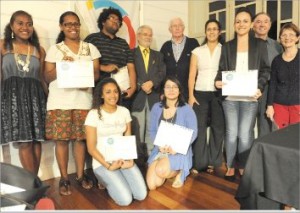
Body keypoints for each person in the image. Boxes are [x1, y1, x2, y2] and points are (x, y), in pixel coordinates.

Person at [44, 11, 100, 195]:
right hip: (60, 101)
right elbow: (47, 76)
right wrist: (62, 67)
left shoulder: (90, 48)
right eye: (68, 24)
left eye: (75, 24)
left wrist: (83, 77)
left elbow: (97, 74)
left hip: (83, 100)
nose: (72, 27)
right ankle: (64, 179)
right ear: (62, 27)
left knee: (81, 140)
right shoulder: (55, 49)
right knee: (61, 140)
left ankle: (80, 175)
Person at [214, 7, 270, 181]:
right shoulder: (227, 46)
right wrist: (217, 81)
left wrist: (259, 86)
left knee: (245, 134)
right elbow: (221, 69)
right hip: (230, 98)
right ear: (234, 25)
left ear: (252, 24)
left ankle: (244, 165)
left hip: (250, 97)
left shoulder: (260, 45)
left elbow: (266, 70)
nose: (241, 24)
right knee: (231, 133)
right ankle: (230, 165)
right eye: (238, 21)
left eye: (245, 21)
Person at [85, 78, 147, 206]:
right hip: (103, 162)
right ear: (101, 95)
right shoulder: (93, 114)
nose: (113, 95)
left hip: (122, 158)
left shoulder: (124, 111)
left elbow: (127, 137)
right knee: (126, 200)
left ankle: (118, 176)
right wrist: (109, 166)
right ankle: (103, 178)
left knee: (141, 195)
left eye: (115, 91)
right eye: (108, 92)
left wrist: (130, 160)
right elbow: (91, 148)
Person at [1, 10, 47, 175]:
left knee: (36, 141)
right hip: (12, 98)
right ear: (12, 26)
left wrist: (50, 99)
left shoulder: (39, 50)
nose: (25, 27)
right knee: (24, 142)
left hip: (35, 98)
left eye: (29, 24)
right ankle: (33, 185)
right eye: (20, 23)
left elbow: (41, 79)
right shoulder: (2, 45)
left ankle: (34, 185)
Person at [146, 76, 198, 190]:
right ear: (163, 90)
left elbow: (194, 133)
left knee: (161, 171)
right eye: (168, 87)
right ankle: (162, 162)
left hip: (178, 151)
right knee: (152, 185)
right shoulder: (156, 107)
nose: (171, 90)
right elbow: (152, 130)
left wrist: (178, 148)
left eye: (175, 87)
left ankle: (180, 170)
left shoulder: (187, 109)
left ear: (179, 91)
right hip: (161, 148)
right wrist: (159, 146)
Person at [188, 19, 225, 174]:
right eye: (209, 29)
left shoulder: (225, 49)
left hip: (218, 94)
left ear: (219, 32)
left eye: (214, 29)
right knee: (200, 128)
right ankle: (200, 163)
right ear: (205, 32)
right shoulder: (197, 51)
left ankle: (214, 161)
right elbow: (191, 75)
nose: (211, 32)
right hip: (200, 94)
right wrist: (190, 95)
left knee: (218, 127)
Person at [84, 7, 136, 110]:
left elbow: (131, 67)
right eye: (112, 18)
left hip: (122, 93)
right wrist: (104, 68)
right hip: (100, 94)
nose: (115, 21)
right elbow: (82, 63)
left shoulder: (123, 43)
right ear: (103, 21)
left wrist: (133, 87)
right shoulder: (92, 39)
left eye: (118, 20)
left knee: (122, 123)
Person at [131, 25, 166, 163]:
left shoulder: (158, 55)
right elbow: (129, 72)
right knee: (137, 131)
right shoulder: (131, 53)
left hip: (154, 97)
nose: (148, 37)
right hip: (137, 98)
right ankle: (138, 162)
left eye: (150, 34)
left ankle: (151, 159)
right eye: (144, 34)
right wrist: (141, 84)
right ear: (138, 36)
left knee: (152, 130)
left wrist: (152, 83)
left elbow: (162, 73)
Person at [252, 12, 283, 137]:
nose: (262, 24)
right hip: (248, 87)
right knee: (245, 125)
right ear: (253, 25)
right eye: (258, 21)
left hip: (269, 89)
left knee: (265, 123)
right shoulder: (246, 44)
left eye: (265, 21)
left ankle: (262, 154)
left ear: (270, 25)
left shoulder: (277, 46)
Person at [266, 23, 300, 129]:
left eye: (291, 34)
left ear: (297, 37)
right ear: (280, 38)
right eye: (284, 35)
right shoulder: (276, 60)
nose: (287, 38)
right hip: (279, 106)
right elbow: (273, 84)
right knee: (280, 139)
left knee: (296, 139)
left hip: (298, 105)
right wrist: (269, 106)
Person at [160, 17, 199, 100]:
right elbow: (161, 71)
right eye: (174, 26)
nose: (177, 28)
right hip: (170, 93)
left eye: (180, 25)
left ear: (183, 28)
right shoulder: (165, 46)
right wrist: (162, 91)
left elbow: (199, 67)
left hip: (188, 93)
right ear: (170, 29)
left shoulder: (193, 43)